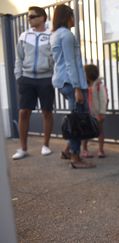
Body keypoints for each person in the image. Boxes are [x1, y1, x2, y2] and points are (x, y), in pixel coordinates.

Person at [50, 4, 95, 169]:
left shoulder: (54, 35)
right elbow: (70, 63)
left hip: (62, 81)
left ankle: (67, 150)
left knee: (76, 116)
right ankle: (75, 158)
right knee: (78, 120)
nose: (74, 19)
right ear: (67, 17)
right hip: (72, 82)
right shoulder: (67, 35)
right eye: (73, 15)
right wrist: (77, 88)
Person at [12, 6, 54, 160]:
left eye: (32, 17)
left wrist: (53, 75)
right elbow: (19, 58)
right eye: (29, 17)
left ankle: (46, 145)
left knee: (47, 112)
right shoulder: (24, 36)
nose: (29, 19)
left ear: (42, 18)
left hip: (46, 78)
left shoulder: (51, 36)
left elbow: (55, 57)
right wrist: (19, 76)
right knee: (24, 112)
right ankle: (23, 148)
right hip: (27, 79)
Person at [81, 64, 108, 158]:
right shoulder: (84, 85)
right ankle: (84, 150)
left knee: (100, 131)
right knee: (85, 132)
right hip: (87, 113)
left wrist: (102, 113)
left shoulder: (98, 86)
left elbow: (103, 99)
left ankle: (101, 150)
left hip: (97, 114)